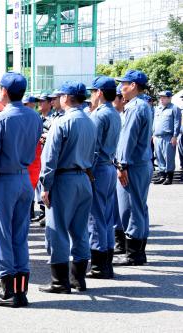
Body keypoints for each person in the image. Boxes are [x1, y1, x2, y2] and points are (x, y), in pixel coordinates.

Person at [0, 72, 42, 307]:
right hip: (24, 180)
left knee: (2, 236)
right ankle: (21, 291)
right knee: (20, 237)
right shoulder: (35, 117)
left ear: (5, 91)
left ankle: (7, 291)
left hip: (4, 182)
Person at [38, 81, 96, 294]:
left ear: (67, 97)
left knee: (58, 231)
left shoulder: (62, 123)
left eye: (60, 95)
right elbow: (94, 154)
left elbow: (50, 158)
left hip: (64, 180)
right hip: (84, 178)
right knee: (80, 230)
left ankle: (60, 282)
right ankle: (78, 279)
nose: (57, 99)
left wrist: (46, 185)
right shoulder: (90, 121)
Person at [113, 70, 153, 266]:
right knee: (139, 206)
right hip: (141, 163)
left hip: (133, 165)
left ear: (134, 85)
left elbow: (128, 139)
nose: (121, 87)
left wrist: (122, 164)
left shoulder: (135, 107)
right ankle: (138, 252)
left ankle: (134, 254)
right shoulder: (142, 105)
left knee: (129, 208)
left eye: (124, 84)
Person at [86, 76, 121, 279]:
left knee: (96, 216)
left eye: (93, 91)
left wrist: (87, 171)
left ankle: (99, 265)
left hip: (98, 168)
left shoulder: (98, 115)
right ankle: (106, 262)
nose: (91, 95)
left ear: (99, 92)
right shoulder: (114, 113)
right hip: (108, 166)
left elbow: (93, 148)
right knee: (106, 216)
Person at [32, 94, 53, 225]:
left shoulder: (53, 120)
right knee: (38, 184)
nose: (39, 104)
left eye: (42, 101)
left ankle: (46, 213)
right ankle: (41, 211)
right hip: (37, 154)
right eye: (38, 101)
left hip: (47, 153)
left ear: (50, 103)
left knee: (45, 182)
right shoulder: (37, 119)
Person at [152, 91, 181, 185]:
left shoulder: (174, 108)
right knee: (159, 157)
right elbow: (154, 122)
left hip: (168, 137)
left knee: (169, 157)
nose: (161, 99)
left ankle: (169, 176)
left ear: (169, 98)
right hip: (157, 137)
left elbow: (177, 123)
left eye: (164, 97)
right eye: (160, 97)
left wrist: (175, 136)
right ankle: (162, 175)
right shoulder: (158, 108)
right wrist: (153, 134)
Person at [112, 83, 127, 255]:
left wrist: (120, 165)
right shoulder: (116, 116)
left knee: (121, 206)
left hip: (119, 165)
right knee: (115, 206)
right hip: (113, 164)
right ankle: (119, 240)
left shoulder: (123, 117)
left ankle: (122, 243)